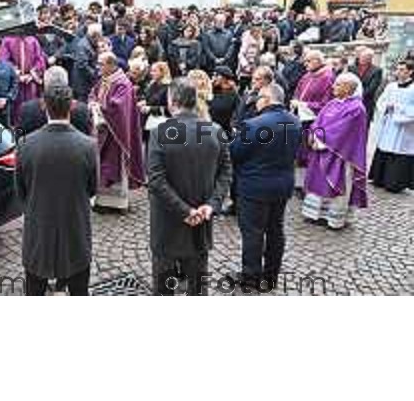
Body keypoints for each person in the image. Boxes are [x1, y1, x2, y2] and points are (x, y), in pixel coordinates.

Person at [148, 78, 232, 295]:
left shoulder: (160, 132)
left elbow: (156, 179)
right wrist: (212, 205)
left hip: (168, 224)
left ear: (173, 100)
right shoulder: (215, 130)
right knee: (197, 287)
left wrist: (185, 211)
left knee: (164, 288)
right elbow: (226, 173)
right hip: (201, 222)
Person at [17, 84, 98, 296]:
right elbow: (92, 188)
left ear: (44, 107)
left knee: (34, 291)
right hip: (75, 230)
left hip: (38, 229)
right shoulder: (88, 145)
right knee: (79, 292)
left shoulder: (25, 144)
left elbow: (21, 191)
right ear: (71, 107)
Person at [230, 83, 301, 292]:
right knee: (275, 230)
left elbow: (234, 153)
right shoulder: (295, 122)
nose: (256, 102)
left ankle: (250, 278)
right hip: (282, 185)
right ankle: (271, 276)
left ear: (267, 99)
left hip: (254, 187)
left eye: (258, 98)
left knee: (253, 233)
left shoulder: (253, 124)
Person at [302, 73, 368, 230]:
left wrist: (319, 138)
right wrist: (313, 132)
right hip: (322, 150)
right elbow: (319, 120)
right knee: (318, 181)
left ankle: (334, 218)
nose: (333, 87)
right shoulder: (332, 103)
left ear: (348, 88)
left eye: (338, 85)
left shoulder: (357, 108)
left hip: (341, 154)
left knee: (336, 184)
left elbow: (342, 131)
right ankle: (315, 214)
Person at [89, 52, 145, 211]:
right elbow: (93, 94)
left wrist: (99, 108)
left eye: (101, 64)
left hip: (117, 134)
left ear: (111, 65)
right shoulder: (104, 80)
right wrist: (93, 103)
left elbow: (118, 108)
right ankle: (103, 202)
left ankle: (119, 204)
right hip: (102, 131)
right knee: (102, 165)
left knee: (116, 166)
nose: (98, 67)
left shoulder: (123, 84)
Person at [369, 60, 414, 193]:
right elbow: (381, 101)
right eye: (397, 69)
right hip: (389, 123)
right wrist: (386, 107)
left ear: (410, 71)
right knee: (385, 147)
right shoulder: (391, 86)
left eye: (402, 69)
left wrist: (398, 108)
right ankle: (379, 178)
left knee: (399, 151)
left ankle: (395, 183)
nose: (398, 72)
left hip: (405, 127)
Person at [19, 66, 92, 136]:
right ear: (67, 83)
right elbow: (87, 136)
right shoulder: (82, 110)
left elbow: (20, 139)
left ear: (45, 84)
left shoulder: (28, 109)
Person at [0, 33, 46, 126]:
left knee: (32, 106)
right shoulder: (8, 40)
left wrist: (32, 74)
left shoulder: (33, 40)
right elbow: (3, 60)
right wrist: (17, 74)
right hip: (15, 83)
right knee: (16, 108)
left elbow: (40, 60)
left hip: (31, 82)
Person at [348, 47, 383, 125]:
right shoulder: (351, 68)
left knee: (363, 126)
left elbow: (372, 88)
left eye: (365, 57)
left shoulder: (377, 70)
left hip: (366, 103)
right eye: (361, 57)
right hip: (350, 102)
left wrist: (357, 96)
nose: (362, 59)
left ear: (370, 59)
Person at [70, 22, 101, 102]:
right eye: (99, 36)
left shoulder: (90, 42)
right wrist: (96, 74)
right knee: (82, 106)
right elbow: (82, 65)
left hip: (87, 82)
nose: (100, 38)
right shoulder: (83, 45)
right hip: (82, 84)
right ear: (94, 35)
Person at [209, 66, 240, 134]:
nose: (214, 77)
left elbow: (237, 113)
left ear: (224, 78)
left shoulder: (233, 95)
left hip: (226, 131)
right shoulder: (211, 91)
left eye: (216, 75)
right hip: (210, 129)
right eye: (213, 75)